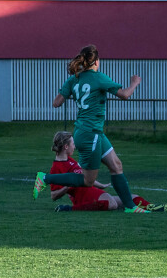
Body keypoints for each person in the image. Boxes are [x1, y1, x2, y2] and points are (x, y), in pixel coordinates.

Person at [33, 44, 156, 213]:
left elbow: (56, 103)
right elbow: (125, 95)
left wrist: (73, 90)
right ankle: (45, 178)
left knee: (116, 165)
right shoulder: (98, 78)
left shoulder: (73, 79)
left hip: (90, 132)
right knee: (87, 180)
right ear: (96, 61)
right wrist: (134, 83)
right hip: (90, 133)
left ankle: (130, 207)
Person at [50, 131, 167, 212]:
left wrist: (101, 185)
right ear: (66, 147)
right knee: (112, 204)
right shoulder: (56, 168)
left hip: (92, 191)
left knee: (131, 198)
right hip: (83, 198)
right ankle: (70, 209)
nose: (75, 146)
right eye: (73, 143)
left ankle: (152, 207)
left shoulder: (70, 160)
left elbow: (84, 177)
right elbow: (54, 195)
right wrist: (68, 186)